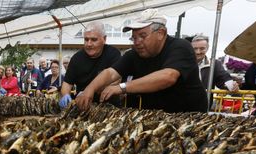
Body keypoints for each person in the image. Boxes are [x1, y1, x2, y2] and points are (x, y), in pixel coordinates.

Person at [76, 9, 207, 113]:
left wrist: (121, 87)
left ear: (161, 33)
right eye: (134, 38)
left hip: (189, 115)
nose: (137, 42)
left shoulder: (181, 47)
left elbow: (168, 77)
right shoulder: (134, 54)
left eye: (142, 36)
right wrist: (90, 89)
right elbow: (111, 73)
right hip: (156, 115)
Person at [59, 21, 121, 109]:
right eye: (86, 39)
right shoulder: (76, 58)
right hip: (83, 107)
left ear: (104, 39)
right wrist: (65, 95)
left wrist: (94, 89)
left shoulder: (113, 54)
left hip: (109, 108)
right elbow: (67, 84)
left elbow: (117, 79)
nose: (89, 44)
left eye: (94, 39)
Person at [191, 34, 238, 105]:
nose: (198, 52)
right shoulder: (183, 62)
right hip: (182, 104)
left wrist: (232, 85)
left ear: (207, 48)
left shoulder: (214, 64)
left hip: (203, 104)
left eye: (202, 48)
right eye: (195, 48)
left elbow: (223, 78)